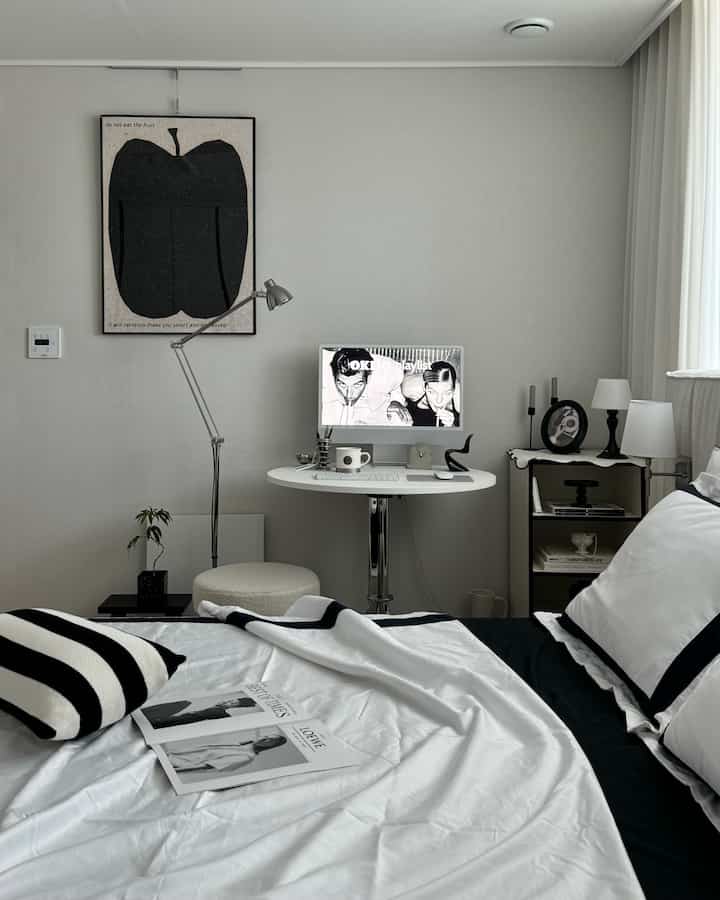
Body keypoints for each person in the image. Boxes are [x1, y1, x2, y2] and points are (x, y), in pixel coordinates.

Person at [321, 348, 409, 426]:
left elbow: (400, 383)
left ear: (369, 378)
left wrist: (396, 400)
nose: (349, 394)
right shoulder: (322, 367)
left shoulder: (387, 371)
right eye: (342, 384)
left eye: (357, 384)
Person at [167, 735, 287, 773]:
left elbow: (207, 766)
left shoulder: (246, 757)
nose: (265, 739)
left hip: (177, 763)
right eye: (267, 736)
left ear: (271, 746)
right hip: (172, 753)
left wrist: (175, 770)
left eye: (270, 741)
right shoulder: (240, 742)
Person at [143, 696, 258, 729]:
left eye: (232, 703)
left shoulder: (219, 713)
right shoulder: (192, 702)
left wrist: (159, 722)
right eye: (230, 700)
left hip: (162, 722)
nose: (227, 702)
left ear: (236, 708)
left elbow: (184, 718)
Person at [405, 362, 460, 427]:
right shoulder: (410, 389)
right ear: (425, 388)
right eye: (432, 392)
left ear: (454, 390)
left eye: (447, 393)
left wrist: (451, 427)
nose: (439, 401)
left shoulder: (460, 403)